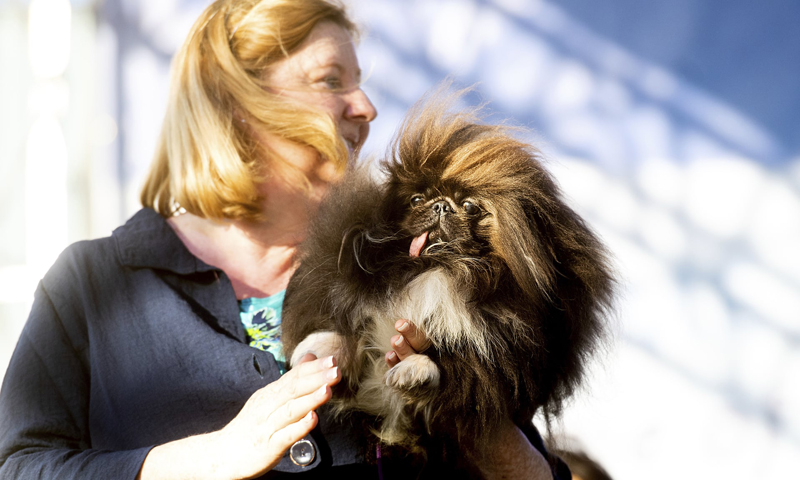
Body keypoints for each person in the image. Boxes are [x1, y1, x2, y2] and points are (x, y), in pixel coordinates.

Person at [0, 0, 568, 478]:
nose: (365, 108)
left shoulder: (416, 272)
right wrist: (206, 459)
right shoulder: (93, 284)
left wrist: (467, 409)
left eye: (360, 83)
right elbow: (20, 465)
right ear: (234, 104)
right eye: (330, 80)